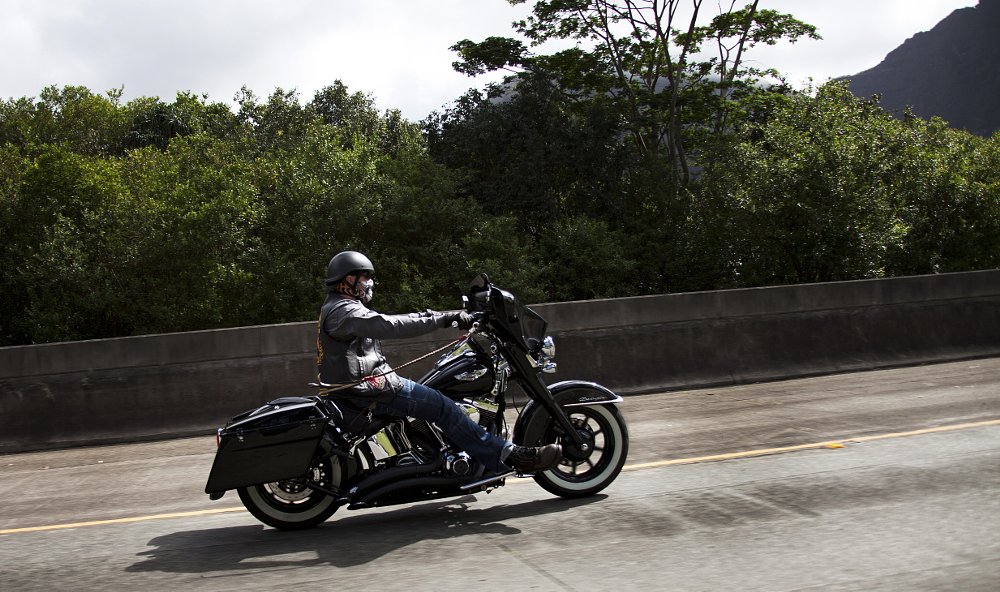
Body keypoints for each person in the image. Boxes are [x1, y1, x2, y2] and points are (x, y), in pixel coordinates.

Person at [316, 250, 562, 474]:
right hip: (371, 389)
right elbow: (391, 325)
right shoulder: (345, 311)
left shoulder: (338, 307)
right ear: (347, 280)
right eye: (363, 277)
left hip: (364, 386)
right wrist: (448, 318)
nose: (368, 283)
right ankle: (509, 457)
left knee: (437, 392)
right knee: (444, 407)